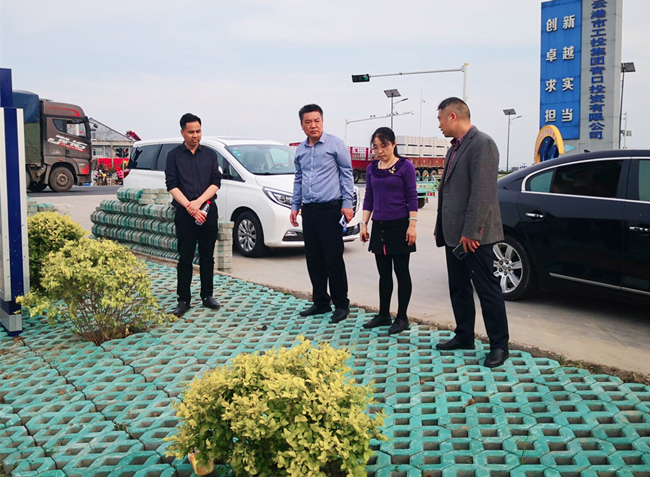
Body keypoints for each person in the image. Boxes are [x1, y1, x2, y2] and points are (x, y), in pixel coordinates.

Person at [433, 97, 510, 368]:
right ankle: (464, 335)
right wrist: (439, 227)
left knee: (487, 289)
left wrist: (473, 232)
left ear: (453, 116)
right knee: (459, 288)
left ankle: (499, 345)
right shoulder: (454, 148)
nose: (439, 124)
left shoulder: (482, 144)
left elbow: (482, 193)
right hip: (454, 234)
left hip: (474, 237)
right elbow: (446, 192)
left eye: (440, 118)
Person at [290, 104, 354, 324]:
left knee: (333, 258)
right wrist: (295, 205)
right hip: (309, 210)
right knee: (314, 258)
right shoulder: (300, 150)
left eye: (317, 121)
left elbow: (347, 174)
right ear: (302, 125)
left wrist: (347, 203)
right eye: (308, 122)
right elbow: (299, 178)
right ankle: (320, 301)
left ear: (322, 122)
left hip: (331, 209)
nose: (313, 125)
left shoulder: (335, 144)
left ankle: (341, 304)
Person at [360, 127, 417, 335]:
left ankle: (402, 318)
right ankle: (383, 314)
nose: (380, 151)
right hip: (379, 226)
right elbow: (369, 197)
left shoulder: (405, 166)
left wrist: (412, 225)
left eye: (384, 146)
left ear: (393, 144)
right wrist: (364, 224)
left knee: (401, 273)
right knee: (383, 274)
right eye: (376, 147)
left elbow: (412, 196)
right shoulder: (372, 169)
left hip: (400, 225)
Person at [165, 113, 222, 317]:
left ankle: (207, 295)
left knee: (207, 256)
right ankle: (183, 299)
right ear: (182, 132)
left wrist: (198, 204)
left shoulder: (210, 155)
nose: (195, 135)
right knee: (185, 257)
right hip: (184, 213)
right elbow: (171, 185)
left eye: (198, 131)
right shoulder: (173, 156)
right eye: (191, 132)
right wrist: (190, 207)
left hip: (207, 211)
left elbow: (216, 182)